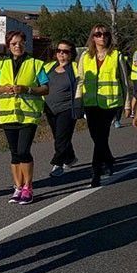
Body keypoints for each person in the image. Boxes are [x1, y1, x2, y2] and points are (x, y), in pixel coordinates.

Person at [0, 30, 49, 205]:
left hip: (28, 115)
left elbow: (45, 88)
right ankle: (17, 187)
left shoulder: (36, 64)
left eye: (21, 43)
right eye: (14, 43)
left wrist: (27, 89)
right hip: (8, 116)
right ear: (8, 46)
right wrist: (3, 88)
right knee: (14, 154)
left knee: (23, 151)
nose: (17, 46)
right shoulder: (0, 65)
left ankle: (28, 188)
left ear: (25, 44)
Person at [76, 24, 131, 187]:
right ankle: (108, 159)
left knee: (101, 136)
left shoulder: (116, 56)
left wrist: (127, 104)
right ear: (93, 37)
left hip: (110, 103)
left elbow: (125, 82)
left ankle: (96, 172)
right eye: (98, 34)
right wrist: (78, 101)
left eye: (105, 34)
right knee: (96, 136)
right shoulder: (85, 56)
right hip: (91, 103)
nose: (102, 37)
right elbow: (80, 80)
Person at [43, 39, 81, 177]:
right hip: (50, 108)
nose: (61, 54)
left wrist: (79, 106)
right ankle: (70, 157)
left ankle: (57, 163)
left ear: (71, 54)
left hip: (67, 108)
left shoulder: (76, 68)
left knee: (61, 137)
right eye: (58, 50)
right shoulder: (49, 67)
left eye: (65, 51)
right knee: (60, 137)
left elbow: (81, 87)